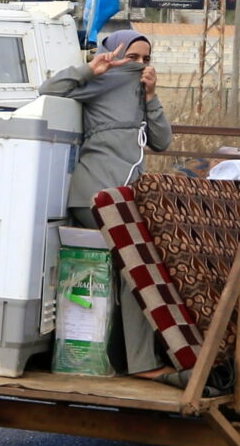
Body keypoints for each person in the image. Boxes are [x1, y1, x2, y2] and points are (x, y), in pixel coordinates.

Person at [38, 29, 172, 373]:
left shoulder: (139, 90)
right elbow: (47, 91)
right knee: (138, 267)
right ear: (113, 55)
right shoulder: (103, 80)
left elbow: (162, 142)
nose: (139, 66)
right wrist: (89, 69)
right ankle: (141, 363)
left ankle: (122, 357)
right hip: (94, 195)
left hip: (124, 198)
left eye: (145, 60)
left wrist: (151, 95)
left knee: (134, 268)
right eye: (132, 58)